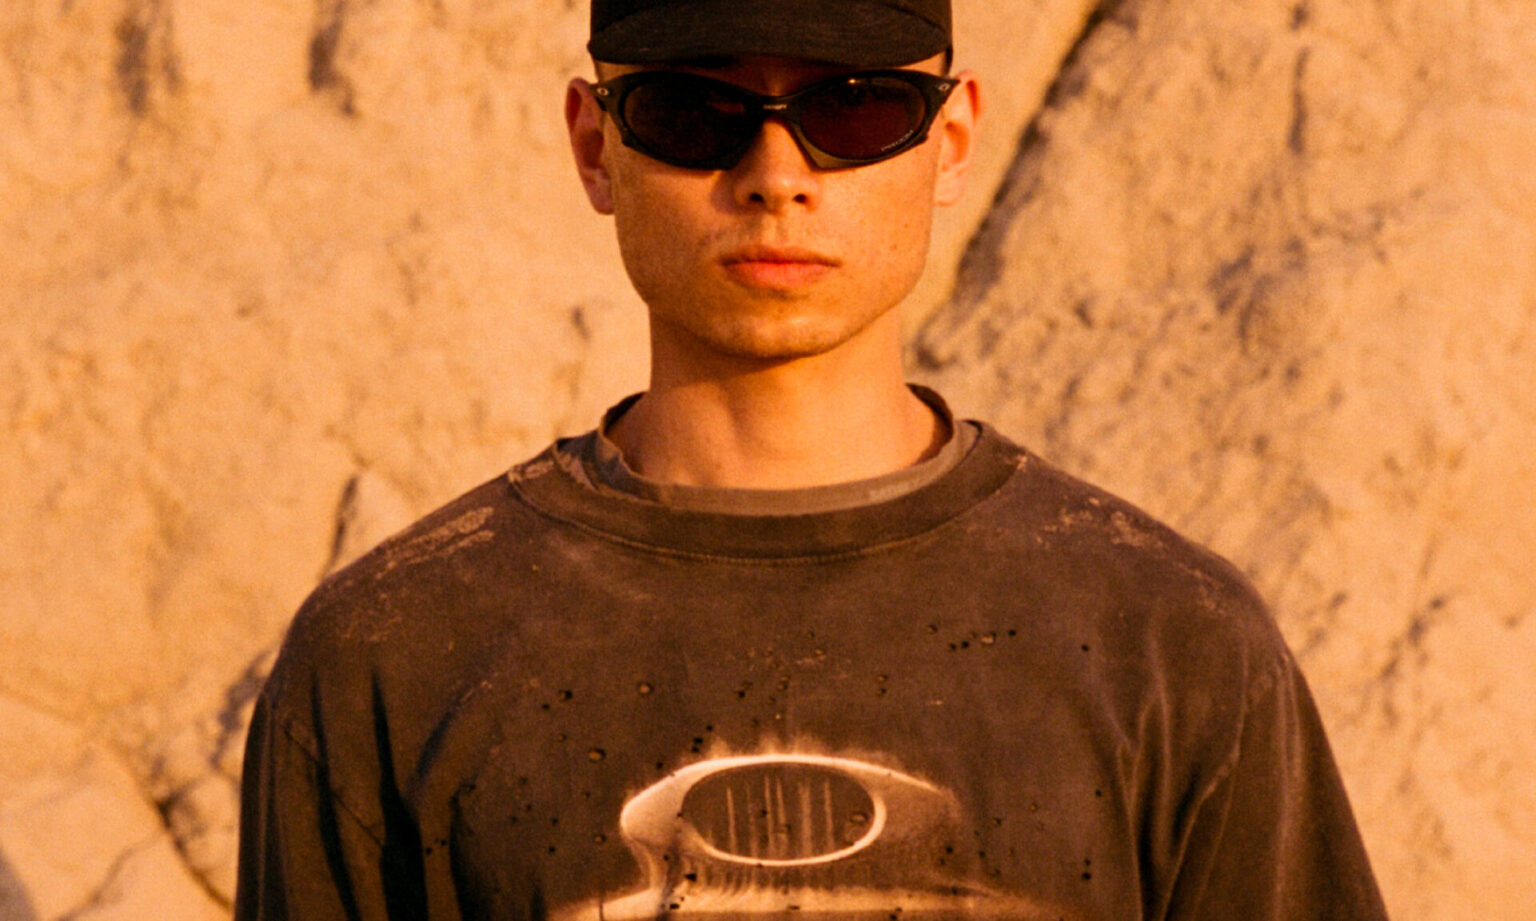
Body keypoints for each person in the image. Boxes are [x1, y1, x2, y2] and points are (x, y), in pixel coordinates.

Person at [235, 1, 1391, 919]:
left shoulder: (1172, 646)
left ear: (950, 140)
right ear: (596, 146)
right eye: (695, 112)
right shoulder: (392, 658)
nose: (775, 174)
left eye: (856, 109)